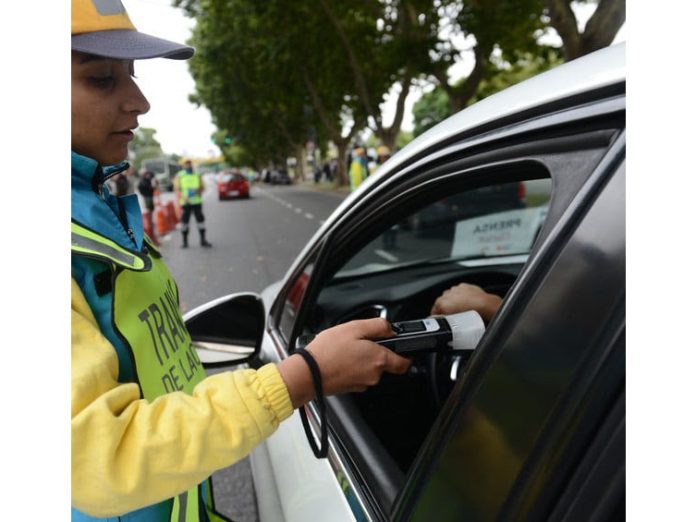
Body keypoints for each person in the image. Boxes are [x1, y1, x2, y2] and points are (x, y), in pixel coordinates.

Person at [70, 1, 412, 520]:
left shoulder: (96, 210)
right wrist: (304, 377)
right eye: (101, 79)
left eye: (132, 77)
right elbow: (95, 459)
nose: (138, 102)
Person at [174, 159, 212, 248]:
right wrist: (183, 197)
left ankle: (203, 240)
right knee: (185, 222)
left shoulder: (197, 175)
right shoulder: (180, 176)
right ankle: (185, 242)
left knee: (200, 221)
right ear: (183, 165)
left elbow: (203, 187)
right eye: (186, 164)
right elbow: (177, 189)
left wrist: (197, 190)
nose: (188, 165)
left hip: (197, 202)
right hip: (185, 203)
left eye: (189, 163)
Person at [137, 168, 158, 244]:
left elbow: (152, 175)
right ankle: (150, 239)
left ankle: (152, 238)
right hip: (146, 200)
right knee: (148, 221)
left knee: (150, 220)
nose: (147, 175)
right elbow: (145, 190)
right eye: (145, 174)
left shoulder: (148, 180)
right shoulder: (142, 182)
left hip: (149, 199)